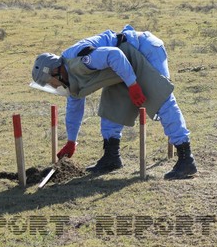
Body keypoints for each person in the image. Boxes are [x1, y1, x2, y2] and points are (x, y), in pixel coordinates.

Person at [31, 24, 197, 179]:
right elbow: (74, 106)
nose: (52, 87)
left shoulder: (79, 60)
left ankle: (186, 158)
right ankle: (111, 158)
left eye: (49, 83)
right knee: (111, 108)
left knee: (161, 100)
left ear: (54, 71)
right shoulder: (69, 79)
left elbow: (114, 54)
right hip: (121, 67)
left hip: (143, 49)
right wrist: (71, 141)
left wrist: (132, 85)